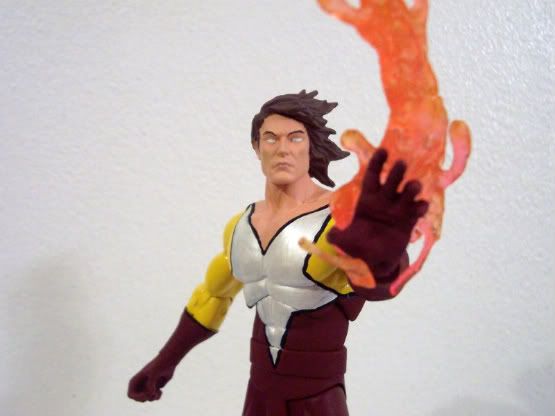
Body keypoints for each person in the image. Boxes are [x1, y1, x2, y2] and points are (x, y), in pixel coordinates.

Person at [127, 90, 428, 415]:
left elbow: (375, 281)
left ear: (311, 147)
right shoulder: (240, 226)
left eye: (295, 138)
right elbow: (212, 297)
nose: (282, 149)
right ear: (256, 147)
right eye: (270, 138)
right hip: (259, 392)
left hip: (318, 395)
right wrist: (164, 362)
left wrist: (385, 257)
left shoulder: (338, 217)